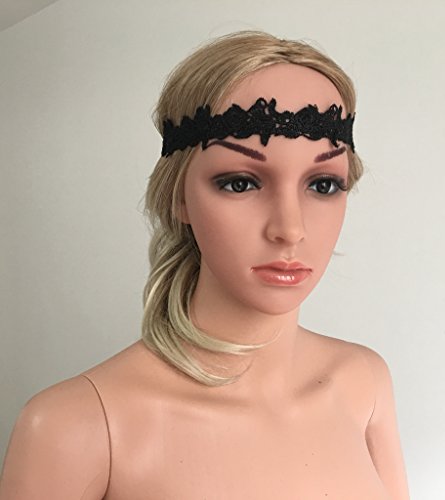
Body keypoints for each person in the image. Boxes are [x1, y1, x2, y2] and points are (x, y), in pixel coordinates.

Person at [0, 31, 410, 499]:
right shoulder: (75, 426)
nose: (290, 229)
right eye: (240, 183)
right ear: (179, 196)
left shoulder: (364, 381)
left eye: (322, 185)